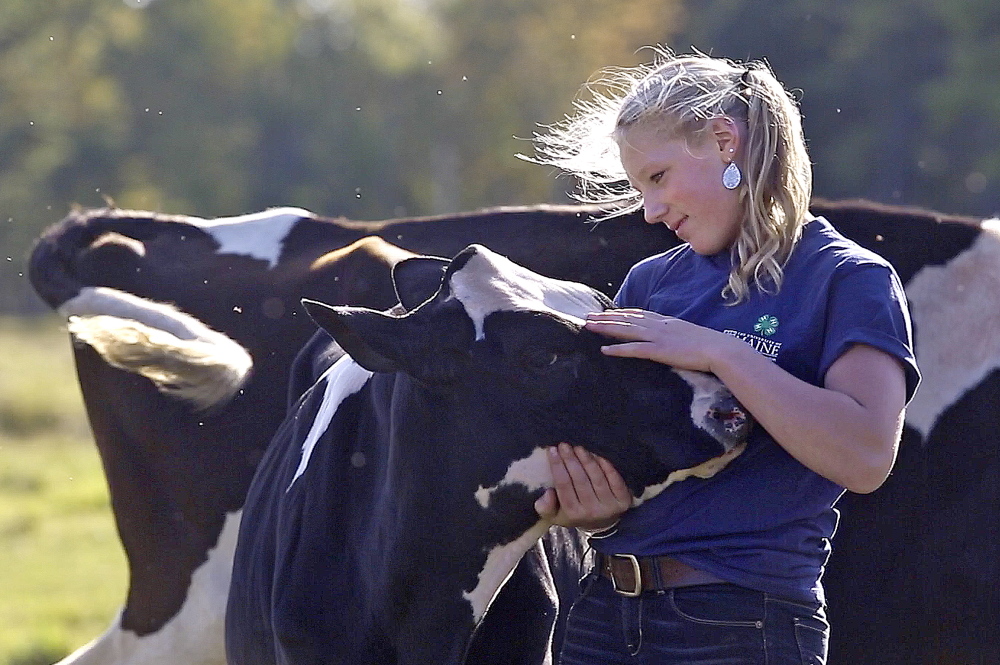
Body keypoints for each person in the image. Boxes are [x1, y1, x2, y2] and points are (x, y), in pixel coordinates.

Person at [528, 49, 920, 664]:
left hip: (743, 622)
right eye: (637, 189)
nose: (650, 211)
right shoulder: (648, 285)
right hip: (598, 615)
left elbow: (866, 456)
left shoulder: (848, 278)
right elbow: (617, 458)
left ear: (723, 140)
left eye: (656, 178)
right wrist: (597, 515)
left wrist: (718, 352)